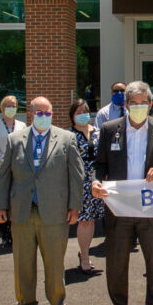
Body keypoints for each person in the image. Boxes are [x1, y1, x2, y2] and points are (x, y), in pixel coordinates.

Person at [90, 80, 153, 305]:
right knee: (117, 261)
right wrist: (96, 181)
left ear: (150, 104)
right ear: (126, 105)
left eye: (143, 103)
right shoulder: (110, 129)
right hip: (119, 206)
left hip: (151, 205)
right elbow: (100, 165)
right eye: (134, 103)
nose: (139, 107)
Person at [0, 96, 85, 305]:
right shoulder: (15, 139)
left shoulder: (66, 139)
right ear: (31, 114)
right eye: (39, 113)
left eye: (48, 113)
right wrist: (0, 205)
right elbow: (5, 175)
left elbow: (76, 176)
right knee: (23, 263)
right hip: (22, 211)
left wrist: (75, 206)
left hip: (54, 211)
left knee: (55, 263)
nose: (43, 117)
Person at [68, 99, 102, 274]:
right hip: (79, 181)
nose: (83, 115)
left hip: (97, 180)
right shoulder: (69, 135)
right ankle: (85, 257)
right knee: (84, 220)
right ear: (72, 116)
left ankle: (85, 251)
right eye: (78, 112)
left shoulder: (97, 132)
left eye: (85, 111)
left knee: (92, 218)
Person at [0, 94, 27, 251]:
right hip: (1, 168)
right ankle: (4, 233)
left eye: (14, 105)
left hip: (17, 167)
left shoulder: (22, 125)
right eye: (8, 105)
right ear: (2, 107)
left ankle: (15, 232)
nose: (11, 108)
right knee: (2, 200)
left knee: (16, 200)